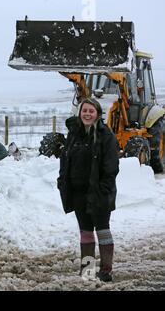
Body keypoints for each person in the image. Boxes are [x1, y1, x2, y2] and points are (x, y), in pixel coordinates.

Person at [57, 98, 119, 282]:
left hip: (99, 192)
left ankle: (106, 271)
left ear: (98, 114)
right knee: (85, 231)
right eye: (84, 110)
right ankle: (88, 271)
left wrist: (103, 189)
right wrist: (62, 181)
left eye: (91, 111)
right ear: (80, 113)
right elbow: (65, 159)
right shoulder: (74, 135)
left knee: (102, 230)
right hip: (78, 193)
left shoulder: (105, 136)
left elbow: (111, 167)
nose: (87, 114)